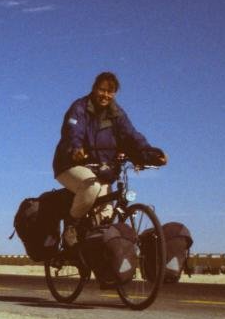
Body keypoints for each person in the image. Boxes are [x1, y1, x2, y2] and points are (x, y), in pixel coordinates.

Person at [52, 72, 166, 246]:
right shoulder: (80, 108)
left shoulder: (116, 113)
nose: (105, 95)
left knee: (105, 218)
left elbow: (131, 136)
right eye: (102, 90)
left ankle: (93, 252)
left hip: (101, 169)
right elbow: (73, 132)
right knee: (91, 187)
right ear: (94, 88)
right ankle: (71, 225)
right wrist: (76, 149)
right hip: (71, 164)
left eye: (110, 92)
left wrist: (151, 155)